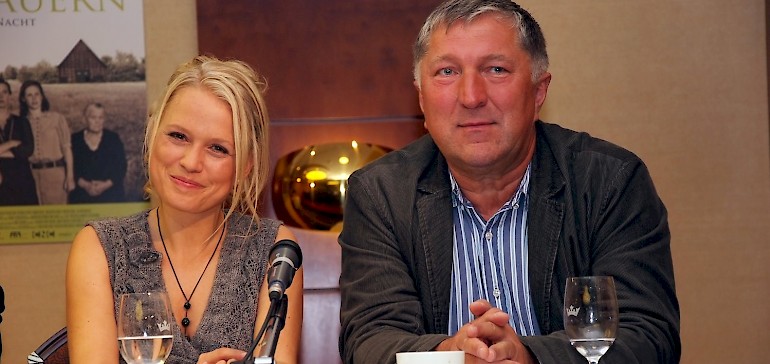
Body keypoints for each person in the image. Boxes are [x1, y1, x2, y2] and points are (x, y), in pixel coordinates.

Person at [338, 1, 680, 363]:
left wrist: (530, 358)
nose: (471, 97)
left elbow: (647, 338)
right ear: (421, 98)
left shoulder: (609, 182)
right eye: (447, 72)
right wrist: (452, 355)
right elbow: (370, 341)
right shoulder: (380, 194)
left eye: (496, 69)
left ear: (538, 92)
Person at [66, 55, 303, 364]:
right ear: (152, 135)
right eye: (178, 136)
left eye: (217, 148)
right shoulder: (101, 248)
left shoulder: (274, 252)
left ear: (246, 166)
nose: (191, 162)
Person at [19, 80, 75, 205]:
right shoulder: (21, 123)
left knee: (57, 217)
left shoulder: (57, 119)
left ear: (42, 96)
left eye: (37, 94)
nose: (34, 99)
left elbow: (67, 148)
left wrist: (69, 177)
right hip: (31, 176)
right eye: (29, 95)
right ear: (23, 99)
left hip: (55, 174)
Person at [69, 102, 128, 203]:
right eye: (93, 117)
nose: (97, 121)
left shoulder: (113, 139)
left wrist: (104, 185)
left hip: (110, 194)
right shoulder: (75, 140)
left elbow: (121, 166)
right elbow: (71, 168)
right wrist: (86, 185)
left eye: (100, 118)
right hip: (82, 195)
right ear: (85, 119)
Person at [0, 78, 38, 205]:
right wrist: (12, 143)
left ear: (10, 95)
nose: (1, 96)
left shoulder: (21, 121)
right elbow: (21, 150)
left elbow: (28, 150)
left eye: (4, 92)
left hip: (22, 179)